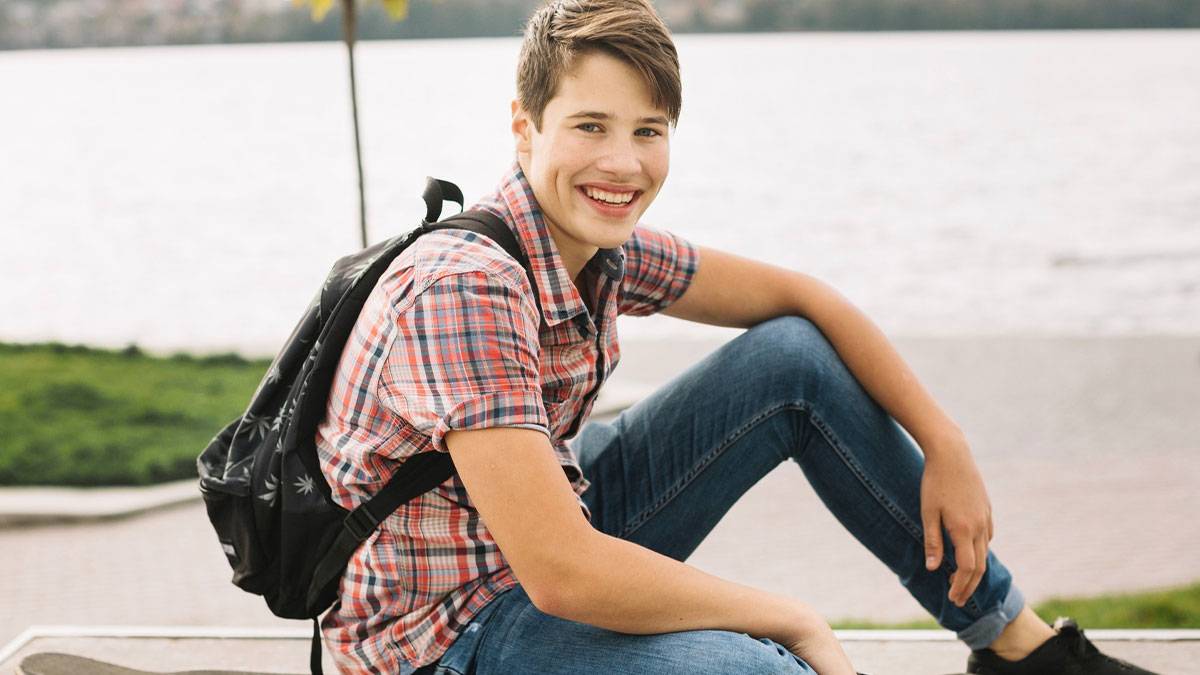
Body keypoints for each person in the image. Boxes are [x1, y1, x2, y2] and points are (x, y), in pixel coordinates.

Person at [315, 1, 1161, 673]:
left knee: (791, 359)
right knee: (766, 668)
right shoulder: (468, 285)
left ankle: (1021, 648)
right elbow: (562, 572)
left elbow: (802, 298)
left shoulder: (593, 244)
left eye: (648, 131)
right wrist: (790, 617)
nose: (622, 163)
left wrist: (945, 439)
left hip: (544, 530)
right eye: (590, 126)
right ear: (525, 126)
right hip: (445, 632)